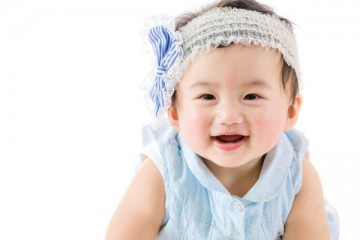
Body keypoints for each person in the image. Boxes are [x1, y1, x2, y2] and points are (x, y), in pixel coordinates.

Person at [105, 0, 339, 239]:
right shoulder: (163, 172)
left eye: (251, 96)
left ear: (290, 111)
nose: (228, 116)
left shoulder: (296, 176)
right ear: (175, 112)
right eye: (207, 96)